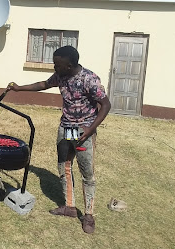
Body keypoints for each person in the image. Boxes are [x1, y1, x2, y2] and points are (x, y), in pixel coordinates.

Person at [7, 46, 111, 234]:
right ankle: (69, 207)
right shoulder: (61, 75)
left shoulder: (89, 79)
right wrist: (18, 88)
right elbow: (44, 85)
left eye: (57, 65)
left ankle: (88, 215)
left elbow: (106, 104)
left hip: (83, 132)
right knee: (65, 166)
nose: (54, 68)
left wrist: (90, 129)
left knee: (87, 173)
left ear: (69, 65)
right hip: (66, 129)